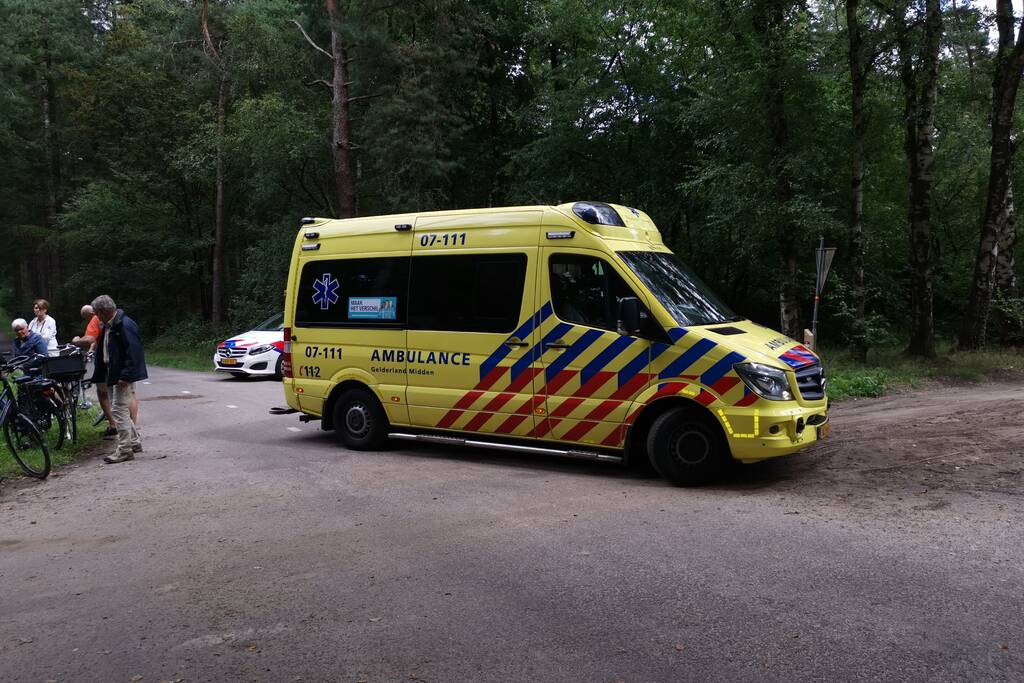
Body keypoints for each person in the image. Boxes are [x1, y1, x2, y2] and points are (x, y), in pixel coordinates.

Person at [91, 295, 147, 464]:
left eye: (96, 313)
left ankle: (124, 449)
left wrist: (126, 375)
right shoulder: (110, 325)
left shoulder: (124, 325)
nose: (95, 316)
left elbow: (134, 352)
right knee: (120, 409)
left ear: (103, 311)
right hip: (112, 372)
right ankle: (134, 442)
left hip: (121, 375)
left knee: (118, 409)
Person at [74, 304, 118, 437]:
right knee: (128, 394)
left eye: (86, 316)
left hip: (105, 360)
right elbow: (96, 339)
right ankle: (130, 426)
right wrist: (92, 349)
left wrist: (76, 341)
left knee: (103, 392)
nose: (89, 319)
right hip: (118, 358)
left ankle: (114, 425)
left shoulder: (95, 319)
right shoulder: (117, 317)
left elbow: (90, 338)